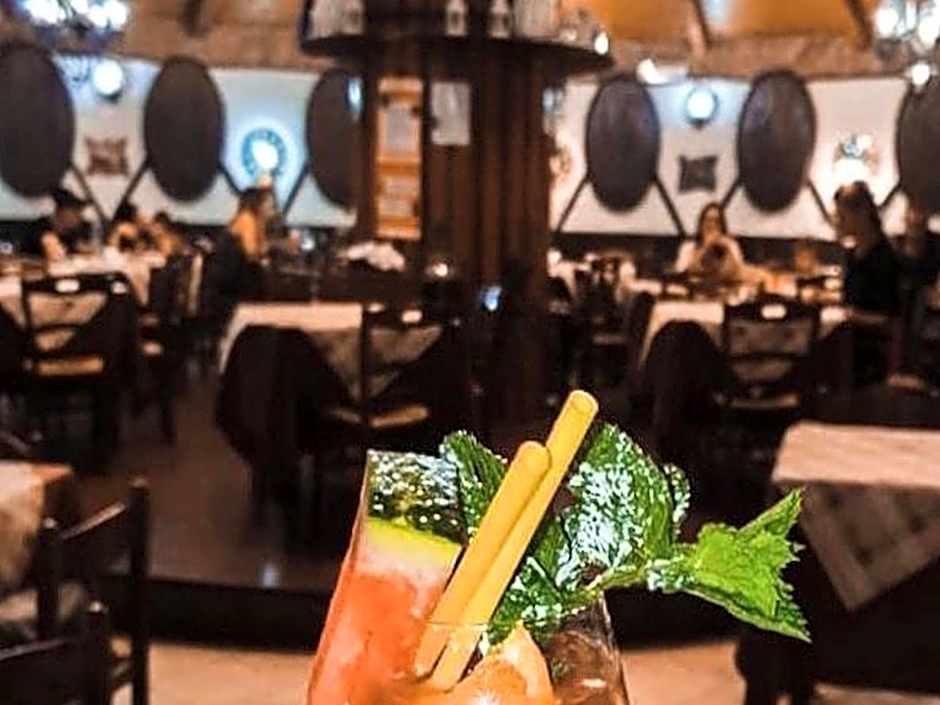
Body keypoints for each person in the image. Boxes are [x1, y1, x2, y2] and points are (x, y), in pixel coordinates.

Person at [834, 181, 901, 316]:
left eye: (842, 217)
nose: (838, 222)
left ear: (862, 214)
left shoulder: (884, 257)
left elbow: (888, 316)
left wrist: (848, 316)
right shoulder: (852, 254)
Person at [674, 202, 746, 283]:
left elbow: (740, 275)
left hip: (723, 288)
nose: (712, 225)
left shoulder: (732, 245)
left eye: (717, 221)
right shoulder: (688, 246)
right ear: (701, 224)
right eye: (708, 220)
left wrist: (727, 250)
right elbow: (681, 273)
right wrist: (706, 247)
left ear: (722, 226)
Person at [22, 187, 92, 260]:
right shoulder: (39, 228)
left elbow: (84, 250)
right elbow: (53, 252)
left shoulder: (75, 232)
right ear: (60, 211)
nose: (79, 217)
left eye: (80, 212)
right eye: (74, 211)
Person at [898, 200, 940, 288]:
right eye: (912, 225)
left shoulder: (936, 243)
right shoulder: (893, 247)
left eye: (918, 225)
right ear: (905, 220)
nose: (915, 219)